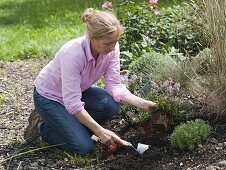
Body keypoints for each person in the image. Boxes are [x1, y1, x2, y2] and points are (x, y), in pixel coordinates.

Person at [24, 8, 156, 155]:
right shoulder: (73, 54)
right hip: (50, 97)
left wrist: (143, 104)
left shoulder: (112, 47)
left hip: (76, 93)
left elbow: (114, 85)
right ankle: (42, 127)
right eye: (108, 44)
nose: (113, 48)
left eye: (115, 42)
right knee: (83, 147)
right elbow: (73, 104)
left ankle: (68, 126)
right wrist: (100, 131)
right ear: (92, 38)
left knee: (111, 106)